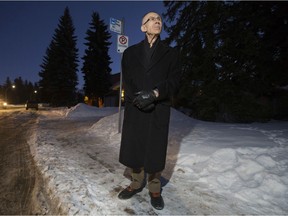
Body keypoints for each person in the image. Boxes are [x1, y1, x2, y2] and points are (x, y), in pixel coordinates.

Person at [118, 11, 182, 210]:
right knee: (135, 147)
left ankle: (155, 188)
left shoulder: (171, 54)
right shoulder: (130, 53)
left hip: (158, 108)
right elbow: (126, 81)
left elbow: (175, 82)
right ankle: (136, 182)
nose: (157, 22)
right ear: (143, 27)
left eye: (159, 20)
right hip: (136, 107)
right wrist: (136, 99)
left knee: (154, 149)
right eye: (152, 19)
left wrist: (155, 94)